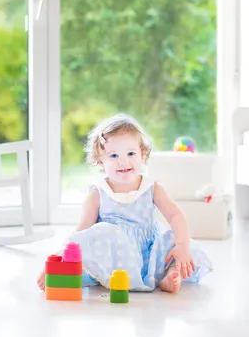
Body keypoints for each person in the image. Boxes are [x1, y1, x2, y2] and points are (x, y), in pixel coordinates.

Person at [37, 114, 213, 293]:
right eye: (113, 155)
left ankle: (170, 275)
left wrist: (182, 246)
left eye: (131, 153)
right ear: (100, 161)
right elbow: (80, 234)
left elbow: (175, 216)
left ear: (142, 154)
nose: (123, 161)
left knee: (180, 243)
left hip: (149, 258)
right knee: (98, 234)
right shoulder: (98, 193)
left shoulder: (151, 187)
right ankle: (107, 275)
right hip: (114, 259)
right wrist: (56, 265)